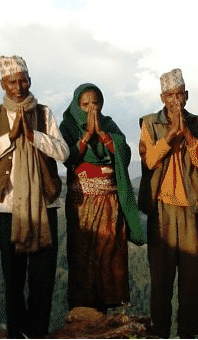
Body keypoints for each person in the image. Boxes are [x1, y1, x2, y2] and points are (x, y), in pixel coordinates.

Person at [0, 55, 69, 338]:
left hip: (44, 206)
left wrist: (35, 137)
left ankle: (38, 333)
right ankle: (17, 333)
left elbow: (63, 153)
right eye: (12, 81)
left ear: (30, 81)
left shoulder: (44, 113)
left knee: (42, 277)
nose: (19, 87)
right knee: (13, 278)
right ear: (3, 83)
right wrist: (10, 138)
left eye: (23, 80)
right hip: (7, 209)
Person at [138, 68, 198, 338]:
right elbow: (148, 160)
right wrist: (170, 136)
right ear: (162, 97)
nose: (175, 100)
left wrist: (188, 135)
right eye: (170, 95)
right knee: (161, 279)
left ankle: (188, 334)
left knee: (191, 281)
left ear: (187, 95)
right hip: (160, 209)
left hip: (190, 210)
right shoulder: (149, 124)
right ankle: (160, 333)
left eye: (179, 94)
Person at [59, 83, 145, 312]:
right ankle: (82, 312)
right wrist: (87, 135)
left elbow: (124, 154)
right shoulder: (68, 126)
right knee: (82, 255)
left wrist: (104, 137)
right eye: (85, 105)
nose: (91, 110)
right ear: (77, 105)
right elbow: (67, 157)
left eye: (95, 104)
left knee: (109, 254)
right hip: (82, 204)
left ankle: (104, 310)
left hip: (109, 202)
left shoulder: (109, 125)